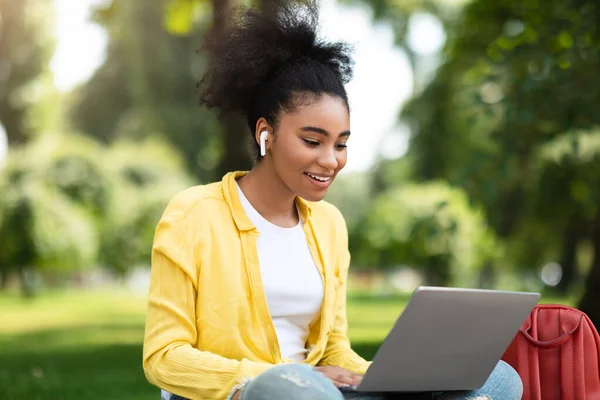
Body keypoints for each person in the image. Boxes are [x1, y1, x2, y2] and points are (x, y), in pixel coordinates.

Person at [142, 1, 523, 399]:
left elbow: (335, 349)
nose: (330, 160)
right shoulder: (193, 214)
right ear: (265, 134)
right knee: (298, 390)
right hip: (248, 392)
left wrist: (384, 375)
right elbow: (164, 357)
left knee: (498, 378)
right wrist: (282, 375)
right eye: (312, 141)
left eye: (341, 144)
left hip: (322, 391)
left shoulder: (329, 224)